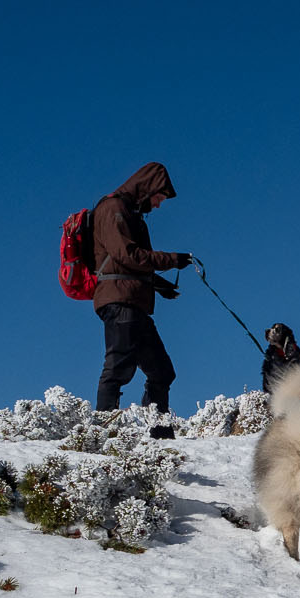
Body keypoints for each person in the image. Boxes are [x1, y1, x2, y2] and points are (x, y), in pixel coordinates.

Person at [92, 162, 192, 433]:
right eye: (159, 198)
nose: (158, 205)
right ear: (147, 189)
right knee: (118, 366)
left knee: (162, 370)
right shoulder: (113, 209)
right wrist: (172, 260)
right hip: (119, 301)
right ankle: (102, 432)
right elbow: (127, 255)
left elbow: (126, 263)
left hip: (133, 301)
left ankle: (158, 434)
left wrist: (160, 286)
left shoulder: (130, 213)